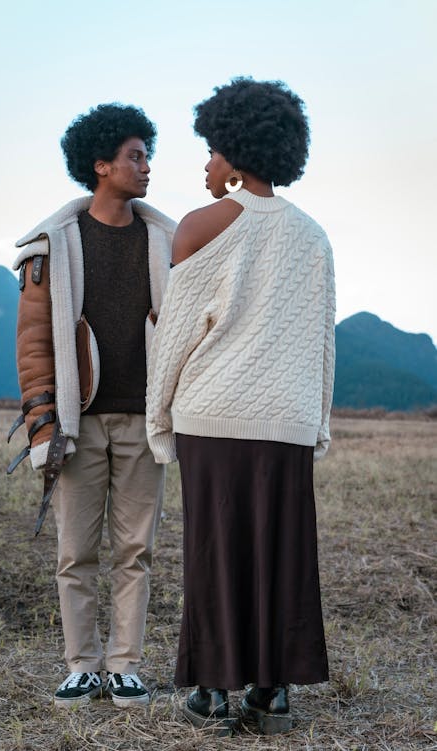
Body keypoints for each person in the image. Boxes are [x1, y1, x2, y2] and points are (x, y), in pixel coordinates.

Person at [146, 77, 335, 735]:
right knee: (281, 550)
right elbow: (320, 344)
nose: (206, 164)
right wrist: (317, 422)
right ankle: (273, 688)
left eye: (212, 149)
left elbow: (174, 337)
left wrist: (158, 413)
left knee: (215, 549)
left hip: (212, 417)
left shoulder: (200, 227)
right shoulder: (315, 238)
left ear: (236, 148)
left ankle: (213, 690)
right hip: (286, 420)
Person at [9, 103, 175, 708]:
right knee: (75, 551)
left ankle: (126, 664)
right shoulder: (53, 245)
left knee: (137, 550)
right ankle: (82, 664)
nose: (146, 166)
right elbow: (32, 346)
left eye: (146, 154)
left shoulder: (167, 242)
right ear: (100, 164)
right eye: (135, 156)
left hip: (145, 419)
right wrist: (42, 425)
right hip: (77, 425)